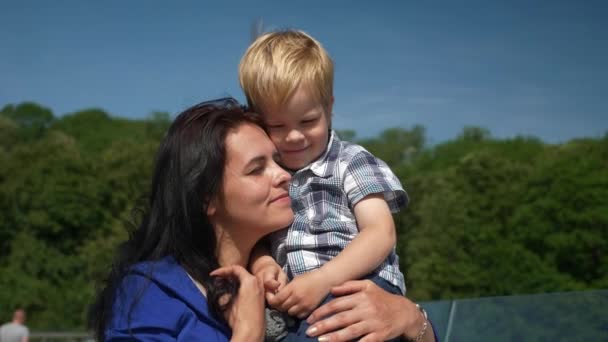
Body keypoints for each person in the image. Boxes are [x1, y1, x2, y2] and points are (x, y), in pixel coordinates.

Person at [89, 98, 436, 342]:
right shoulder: (150, 291)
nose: (285, 175)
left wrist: (409, 320)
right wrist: (249, 334)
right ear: (206, 198)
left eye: (277, 161)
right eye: (257, 169)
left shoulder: (291, 277)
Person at [239, 29, 425, 341]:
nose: (295, 136)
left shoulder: (351, 161)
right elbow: (256, 238)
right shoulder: (270, 176)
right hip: (297, 302)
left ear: (329, 107)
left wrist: (322, 280)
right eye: (277, 126)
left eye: (308, 121)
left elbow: (381, 233)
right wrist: (263, 263)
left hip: (357, 285)